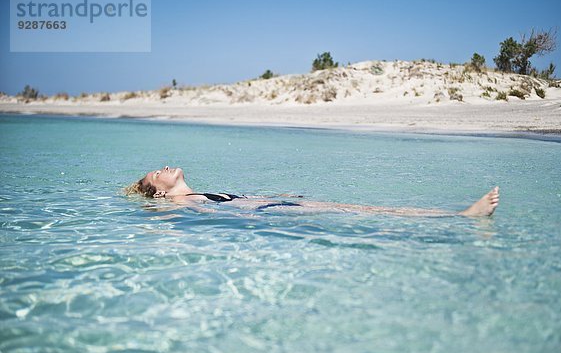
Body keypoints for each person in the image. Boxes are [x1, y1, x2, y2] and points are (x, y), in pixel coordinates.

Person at [125, 166, 500, 217]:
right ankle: (462, 216)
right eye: (155, 174)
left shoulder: (194, 194)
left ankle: (457, 215)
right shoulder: (183, 203)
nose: (163, 168)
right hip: (275, 213)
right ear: (158, 192)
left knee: (360, 209)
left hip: (277, 204)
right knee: (365, 211)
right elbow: (216, 215)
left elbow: (234, 201)